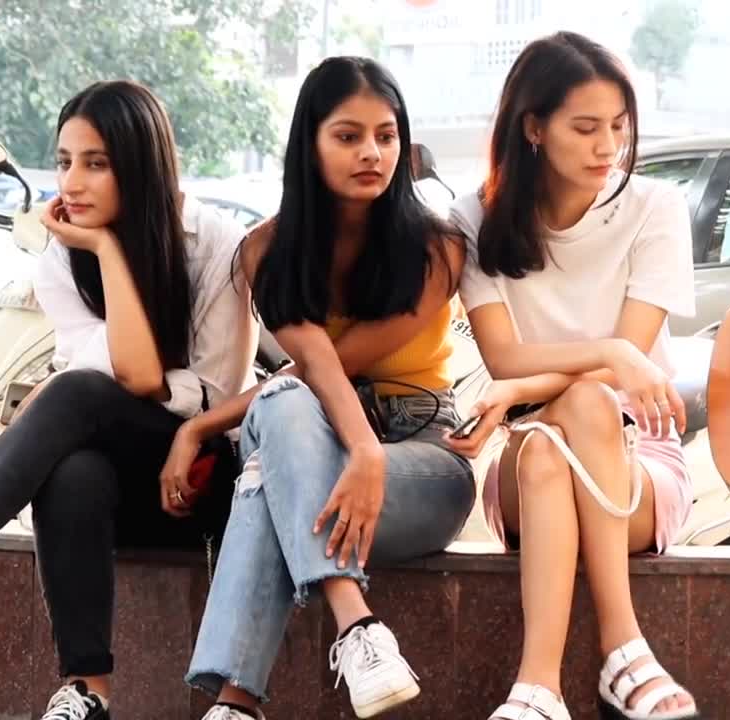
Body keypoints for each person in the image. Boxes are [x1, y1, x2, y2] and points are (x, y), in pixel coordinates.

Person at [0, 80, 258, 720]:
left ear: (140, 165)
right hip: (120, 489)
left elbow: (198, 393)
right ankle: (88, 689)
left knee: (78, 391)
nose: (74, 182)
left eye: (97, 163)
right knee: (75, 468)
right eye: (64, 162)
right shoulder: (63, 258)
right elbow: (119, 377)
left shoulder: (215, 243)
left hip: (198, 479)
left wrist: (108, 252)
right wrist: (99, 252)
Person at [178, 56, 474, 720]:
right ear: (308, 143)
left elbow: (330, 364)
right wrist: (197, 426)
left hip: (423, 456)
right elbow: (310, 365)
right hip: (312, 430)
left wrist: (368, 454)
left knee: (267, 474)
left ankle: (236, 702)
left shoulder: (438, 249)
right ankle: (358, 627)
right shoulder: (265, 251)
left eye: (387, 134)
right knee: (286, 416)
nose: (372, 152)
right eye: (348, 136)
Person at [446, 31, 699, 720]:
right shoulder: (475, 219)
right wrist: (612, 357)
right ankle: (622, 659)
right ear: (533, 127)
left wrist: (526, 390)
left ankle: (541, 688)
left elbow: (589, 375)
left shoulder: (656, 209)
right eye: (585, 127)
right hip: (526, 466)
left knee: (587, 408)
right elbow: (505, 358)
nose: (607, 146)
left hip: (638, 463)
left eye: (619, 126)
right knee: (559, 434)